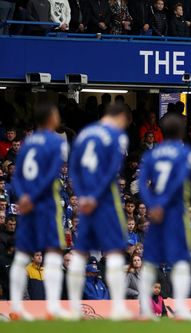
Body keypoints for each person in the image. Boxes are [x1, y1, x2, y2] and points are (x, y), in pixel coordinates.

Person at [67, 103, 131, 320]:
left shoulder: (85, 134)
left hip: (85, 198)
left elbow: (74, 166)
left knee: (80, 251)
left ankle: (74, 305)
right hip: (102, 200)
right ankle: (118, 305)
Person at [9, 101, 68, 320]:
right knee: (52, 255)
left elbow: (17, 178)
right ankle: (52, 307)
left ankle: (15, 307)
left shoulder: (27, 143)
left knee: (22, 255)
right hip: (45, 206)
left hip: (27, 206)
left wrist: (24, 196)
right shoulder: (54, 142)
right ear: (51, 118)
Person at [137, 113, 191, 320]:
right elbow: (178, 183)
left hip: (155, 214)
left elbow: (142, 184)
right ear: (181, 132)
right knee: (180, 260)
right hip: (173, 212)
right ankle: (180, 308)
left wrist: (153, 205)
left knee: (150, 260)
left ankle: (144, 310)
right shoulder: (184, 154)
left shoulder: (151, 155)